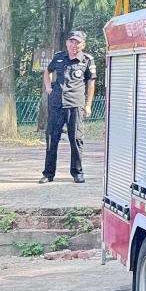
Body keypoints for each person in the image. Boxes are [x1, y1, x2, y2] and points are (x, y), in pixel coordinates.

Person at [40, 31, 97, 184]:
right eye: (71, 41)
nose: (74, 45)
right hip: (57, 104)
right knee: (52, 138)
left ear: (83, 45)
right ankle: (48, 173)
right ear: (67, 43)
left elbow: (91, 82)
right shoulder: (59, 57)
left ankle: (77, 172)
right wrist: (48, 88)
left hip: (75, 104)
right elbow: (48, 71)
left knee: (76, 139)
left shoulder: (87, 60)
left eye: (78, 42)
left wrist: (88, 105)